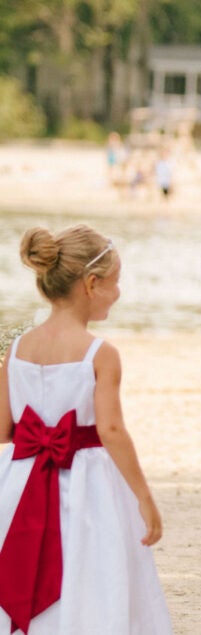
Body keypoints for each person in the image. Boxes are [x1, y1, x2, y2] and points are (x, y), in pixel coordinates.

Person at [0, 225, 171, 634]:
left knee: (25, 558)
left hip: (20, 479)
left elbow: (4, 429)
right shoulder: (100, 353)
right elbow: (111, 429)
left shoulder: (18, 347)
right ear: (91, 284)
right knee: (90, 567)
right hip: (87, 484)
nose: (119, 292)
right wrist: (143, 497)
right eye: (116, 283)